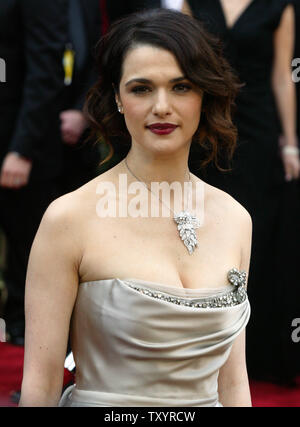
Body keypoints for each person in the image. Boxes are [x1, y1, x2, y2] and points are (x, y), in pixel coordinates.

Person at [19, 9, 252, 407]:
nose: (162, 106)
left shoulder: (235, 218)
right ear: (117, 98)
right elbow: (39, 387)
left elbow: (232, 383)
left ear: (204, 94)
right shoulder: (69, 218)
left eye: (181, 87)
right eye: (142, 88)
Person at [186, 0, 300, 384]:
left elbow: (282, 75)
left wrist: (290, 143)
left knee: (257, 239)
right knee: (205, 238)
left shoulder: (277, 6)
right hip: (207, 133)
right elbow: (183, 63)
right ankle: (205, 349)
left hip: (259, 133)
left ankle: (256, 354)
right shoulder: (195, 2)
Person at [0, 0, 68, 345]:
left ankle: (33, 370)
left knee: (30, 261)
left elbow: (47, 68)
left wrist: (22, 149)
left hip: (22, 147)